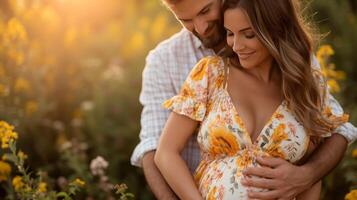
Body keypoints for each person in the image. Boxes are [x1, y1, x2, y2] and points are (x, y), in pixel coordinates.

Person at [131, 0, 357, 199]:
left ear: (273, 29)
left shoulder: (299, 73)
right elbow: (155, 148)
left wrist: (306, 175)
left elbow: (333, 134)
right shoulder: (188, 66)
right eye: (185, 20)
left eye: (205, 10)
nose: (199, 27)